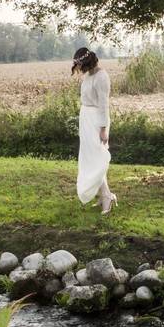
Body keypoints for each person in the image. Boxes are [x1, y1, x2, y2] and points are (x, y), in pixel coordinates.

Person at [72, 47, 116, 214]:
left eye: (80, 65)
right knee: (90, 159)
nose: (79, 69)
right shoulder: (88, 75)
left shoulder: (101, 76)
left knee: (97, 158)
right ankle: (103, 195)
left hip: (97, 120)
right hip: (86, 119)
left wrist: (103, 129)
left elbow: (104, 104)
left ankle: (107, 196)